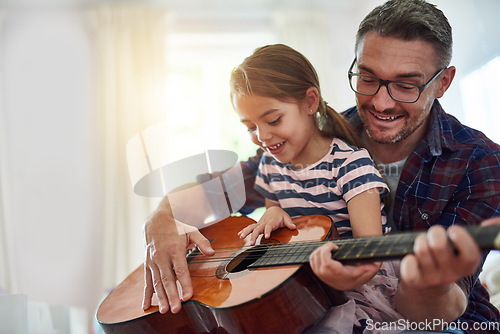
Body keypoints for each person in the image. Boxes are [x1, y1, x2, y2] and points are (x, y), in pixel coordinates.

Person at [142, 0, 500, 332]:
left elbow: (442, 305)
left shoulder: (481, 161)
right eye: (368, 78)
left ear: (443, 83)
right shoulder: (308, 139)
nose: (380, 101)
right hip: (322, 303)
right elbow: (213, 193)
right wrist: (163, 219)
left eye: (406, 85)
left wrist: (426, 283)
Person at [230, 44, 390, 294]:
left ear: (310, 102)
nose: (262, 136)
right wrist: (271, 216)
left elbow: (370, 256)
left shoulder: (351, 165)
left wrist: (340, 281)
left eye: (273, 120)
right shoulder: (270, 165)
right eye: (250, 127)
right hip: (307, 285)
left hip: (360, 284)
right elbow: (278, 222)